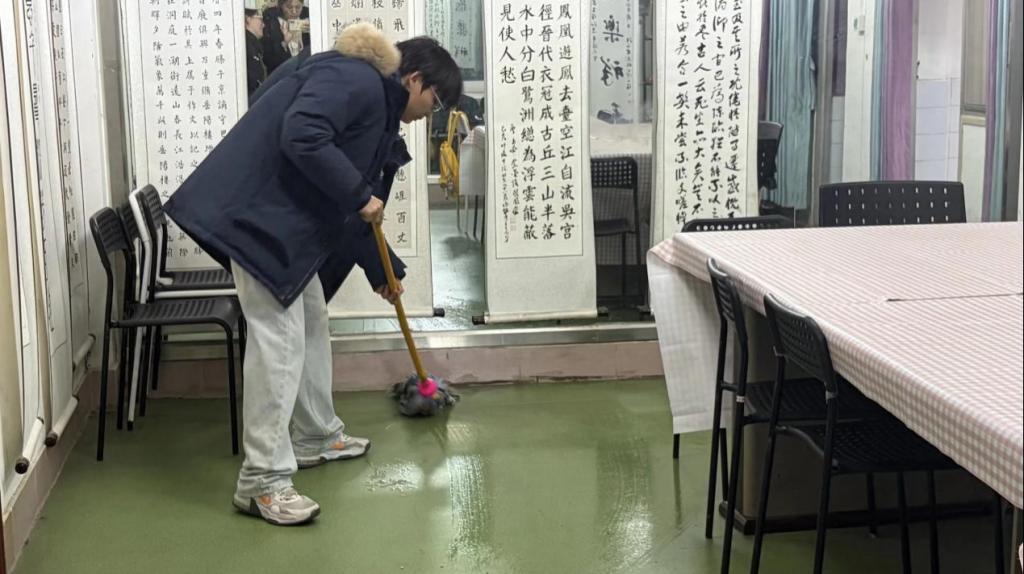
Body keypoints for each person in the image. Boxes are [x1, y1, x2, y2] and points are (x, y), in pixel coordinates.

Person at [163, 23, 462, 526]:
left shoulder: (371, 99)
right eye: (435, 102)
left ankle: (315, 435)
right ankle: (262, 482)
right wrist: (359, 195)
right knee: (278, 345)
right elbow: (302, 135)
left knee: (310, 322)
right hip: (259, 225)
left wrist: (381, 268)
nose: (427, 115)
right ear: (415, 80)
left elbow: (350, 202)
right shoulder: (356, 80)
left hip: (281, 229)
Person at [262, 0, 310, 75]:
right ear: (281, 6)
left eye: (298, 7)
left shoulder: (308, 19)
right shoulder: (271, 24)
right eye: (289, 7)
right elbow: (270, 61)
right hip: (283, 73)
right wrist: (285, 42)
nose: (294, 11)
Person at [244, 9, 267, 96]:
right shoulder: (246, 43)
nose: (263, 25)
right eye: (260, 19)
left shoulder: (252, 43)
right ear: (248, 19)